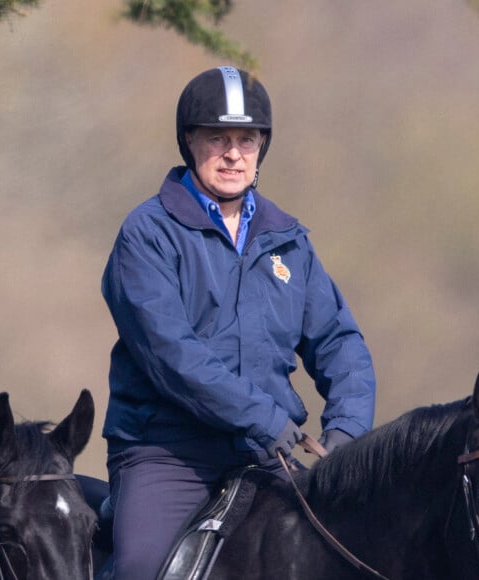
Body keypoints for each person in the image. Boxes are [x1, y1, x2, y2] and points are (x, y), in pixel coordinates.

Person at [100, 65, 376, 579]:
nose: (233, 154)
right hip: (169, 452)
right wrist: (265, 417)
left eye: (246, 140)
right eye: (218, 138)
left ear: (261, 147)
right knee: (140, 567)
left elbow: (339, 341)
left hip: (264, 453)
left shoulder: (288, 240)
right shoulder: (146, 235)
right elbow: (171, 355)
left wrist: (347, 431)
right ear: (189, 141)